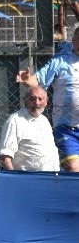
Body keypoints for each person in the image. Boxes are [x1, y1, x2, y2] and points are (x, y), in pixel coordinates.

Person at [18, 31, 79, 172]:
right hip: (67, 128)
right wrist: (28, 80)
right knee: (73, 168)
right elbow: (37, 81)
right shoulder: (60, 62)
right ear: (74, 41)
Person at [0, 85, 60, 171]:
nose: (37, 103)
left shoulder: (44, 121)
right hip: (27, 180)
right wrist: (14, 178)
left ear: (46, 101)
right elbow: (5, 156)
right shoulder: (15, 121)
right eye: (32, 99)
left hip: (51, 179)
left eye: (40, 99)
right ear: (25, 101)